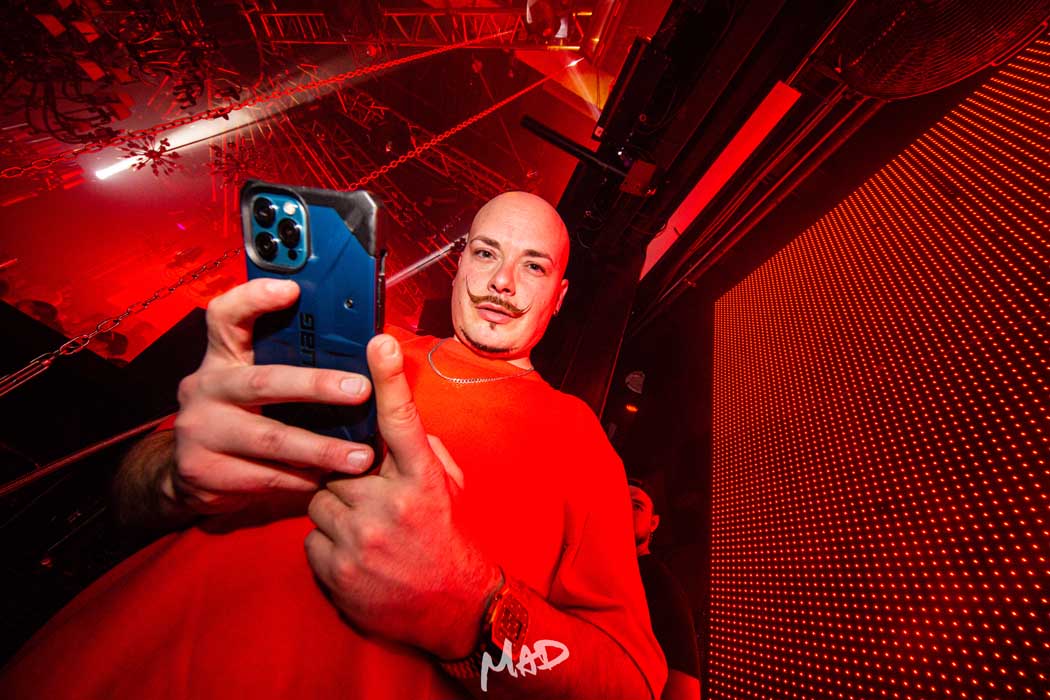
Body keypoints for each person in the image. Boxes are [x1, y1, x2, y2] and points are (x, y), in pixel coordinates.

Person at [1, 192, 666, 699]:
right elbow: (130, 491)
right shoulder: (357, 345)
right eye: (487, 253)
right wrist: (174, 473)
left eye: (534, 265)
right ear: (460, 263)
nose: (502, 283)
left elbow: (630, 682)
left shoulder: (578, 436)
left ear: (559, 296)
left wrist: (471, 609)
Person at [629, 479, 701, 700]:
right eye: (617, 501)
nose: (623, 509)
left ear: (653, 523)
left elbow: (685, 690)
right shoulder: (601, 570)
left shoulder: (660, 585)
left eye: (636, 506)